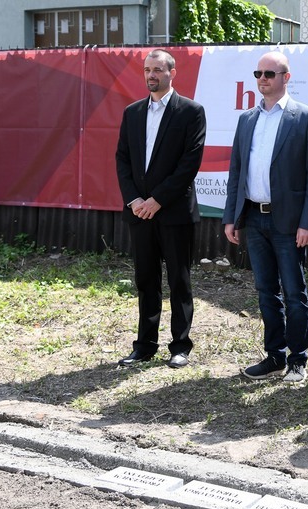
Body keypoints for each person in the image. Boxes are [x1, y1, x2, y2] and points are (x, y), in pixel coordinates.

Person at [223, 51, 308, 384]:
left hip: (289, 223)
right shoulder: (247, 119)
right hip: (254, 218)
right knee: (266, 292)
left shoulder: (306, 117)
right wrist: (231, 216)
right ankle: (274, 357)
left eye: (269, 73)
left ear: (286, 77)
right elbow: (236, 171)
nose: (263, 79)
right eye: (259, 74)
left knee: (294, 293)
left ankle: (298, 359)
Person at [115, 49, 206, 369]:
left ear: (172, 73)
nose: (151, 75)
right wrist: (134, 200)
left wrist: (158, 200)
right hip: (139, 213)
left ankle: (180, 346)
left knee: (179, 281)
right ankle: (144, 346)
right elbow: (122, 159)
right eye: (147, 70)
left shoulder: (191, 111)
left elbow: (189, 163)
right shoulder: (132, 112)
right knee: (146, 280)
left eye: (157, 69)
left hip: (174, 212)